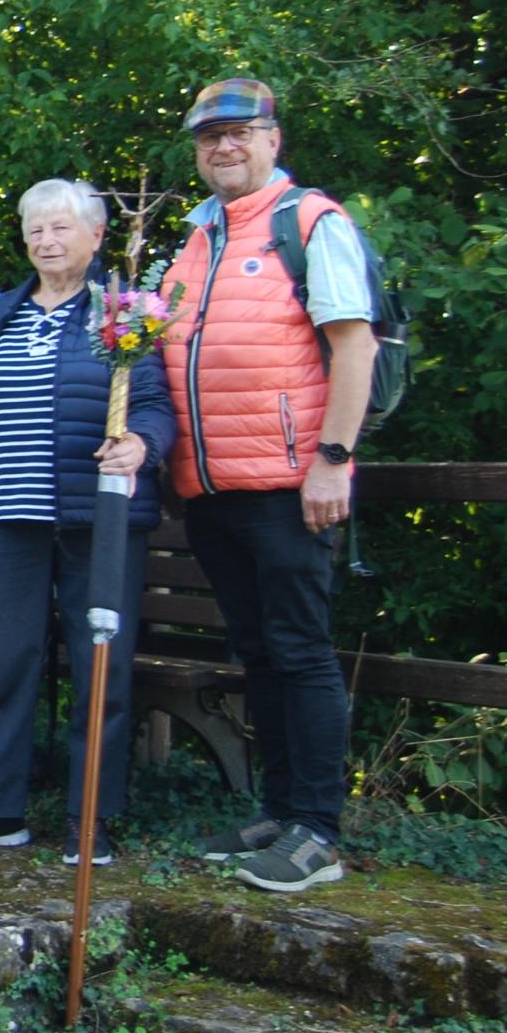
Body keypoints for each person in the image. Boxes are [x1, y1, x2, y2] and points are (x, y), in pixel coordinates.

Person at [161, 79, 377, 894]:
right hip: (211, 488)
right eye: (209, 136)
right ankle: (279, 811)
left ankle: (317, 829)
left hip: (289, 482)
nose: (223, 147)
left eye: (239, 133)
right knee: (256, 651)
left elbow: (353, 346)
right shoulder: (195, 238)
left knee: (300, 650)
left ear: (272, 139)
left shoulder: (310, 224)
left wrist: (333, 456)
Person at [0, 181, 172, 865]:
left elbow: (154, 405)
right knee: (5, 663)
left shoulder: (120, 316)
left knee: (101, 666)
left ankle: (89, 814)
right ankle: (0, 806)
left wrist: (141, 445)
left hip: (97, 517)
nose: (46, 240)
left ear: (96, 237)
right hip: (5, 521)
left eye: (62, 227)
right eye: (35, 228)